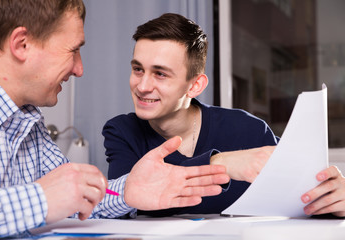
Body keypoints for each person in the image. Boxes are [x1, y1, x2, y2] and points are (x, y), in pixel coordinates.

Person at [0, 2, 230, 239]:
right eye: (73, 50)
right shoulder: (120, 129)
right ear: (22, 44)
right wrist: (40, 199)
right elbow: (50, 197)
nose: (79, 69)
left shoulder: (28, 119)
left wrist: (127, 192)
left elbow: (74, 197)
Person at [103, 13, 345, 217]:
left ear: (195, 85)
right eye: (138, 69)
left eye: (160, 74)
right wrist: (221, 163)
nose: (142, 86)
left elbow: (304, 196)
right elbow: (116, 202)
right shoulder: (121, 131)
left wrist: (333, 199)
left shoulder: (248, 129)